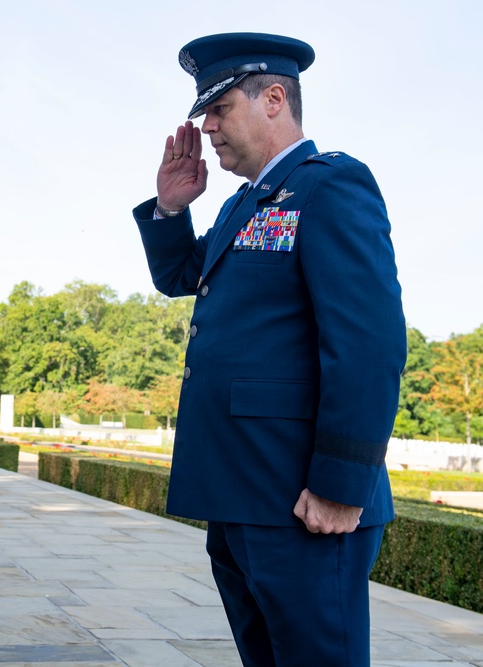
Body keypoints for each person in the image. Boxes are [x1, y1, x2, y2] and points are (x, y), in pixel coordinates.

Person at [133, 33, 406, 666]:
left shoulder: (331, 186)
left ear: (274, 98)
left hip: (303, 500)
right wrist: (173, 210)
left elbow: (368, 342)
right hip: (240, 491)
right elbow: (181, 278)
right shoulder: (241, 207)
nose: (207, 129)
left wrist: (343, 483)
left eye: (219, 109)